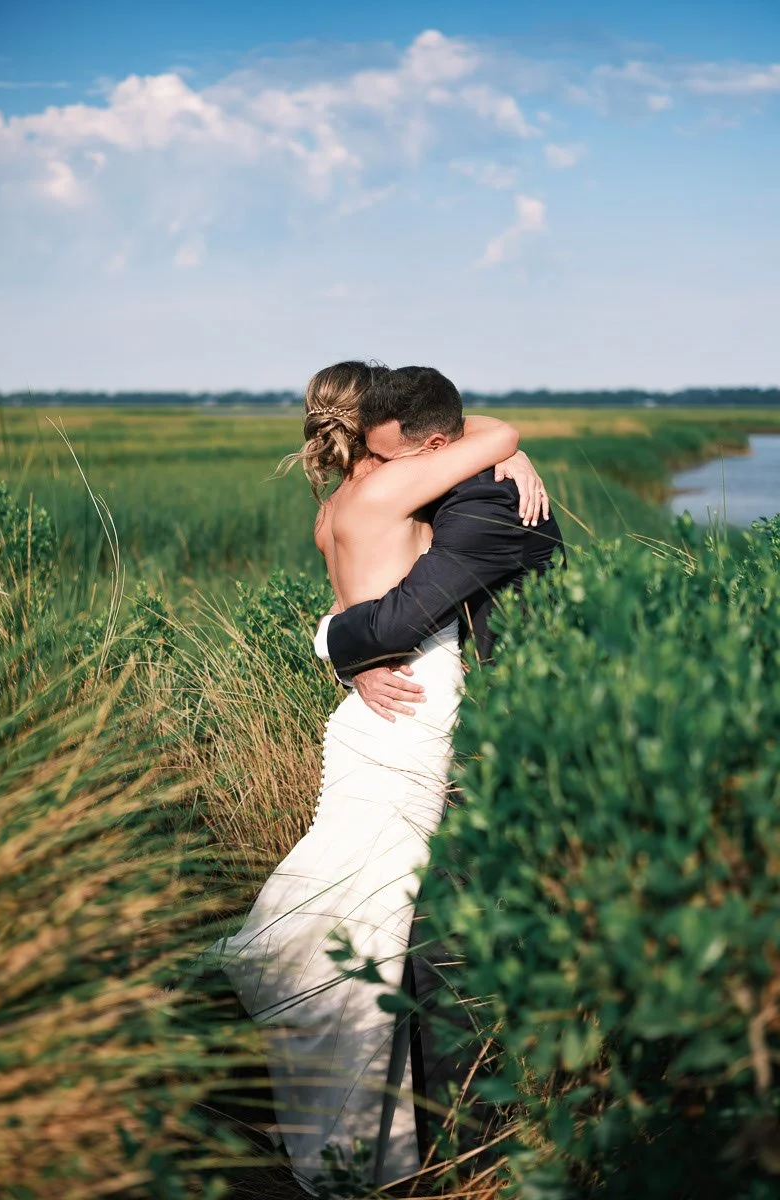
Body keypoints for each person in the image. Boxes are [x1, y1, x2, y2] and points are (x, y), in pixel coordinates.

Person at [212, 360, 543, 1196]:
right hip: (412, 714)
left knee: (361, 904)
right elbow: (493, 434)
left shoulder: (332, 511)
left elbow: (354, 612)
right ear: (378, 435)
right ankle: (380, 1134)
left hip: (367, 712)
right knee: (379, 915)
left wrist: (341, 655)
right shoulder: (393, 491)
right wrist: (514, 452)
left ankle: (354, 1110)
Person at [314, 366, 566, 1158]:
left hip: (493, 740)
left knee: (433, 925)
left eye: (394, 459)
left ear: (428, 447)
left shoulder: (489, 502)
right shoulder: (441, 480)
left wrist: (332, 642)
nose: (383, 472)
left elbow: (399, 615)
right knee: (411, 922)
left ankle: (467, 1134)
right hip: (418, 723)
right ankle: (439, 1132)